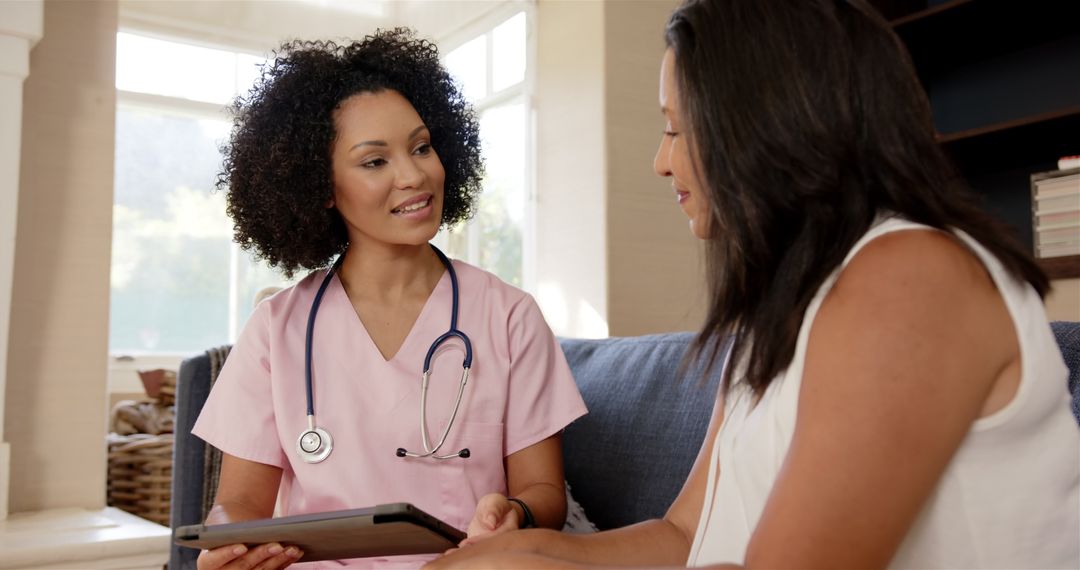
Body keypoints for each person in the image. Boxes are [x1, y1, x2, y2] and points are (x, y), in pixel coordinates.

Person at [425, 0, 1080, 568]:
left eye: (675, 128)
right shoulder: (779, 309)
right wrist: (527, 553)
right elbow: (685, 536)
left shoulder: (912, 277)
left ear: (766, 124)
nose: (660, 162)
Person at [191, 29, 587, 570]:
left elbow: (544, 493)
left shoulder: (509, 316)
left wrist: (515, 512)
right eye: (375, 161)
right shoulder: (276, 328)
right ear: (321, 188)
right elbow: (239, 503)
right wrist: (229, 543)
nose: (414, 175)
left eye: (421, 147)